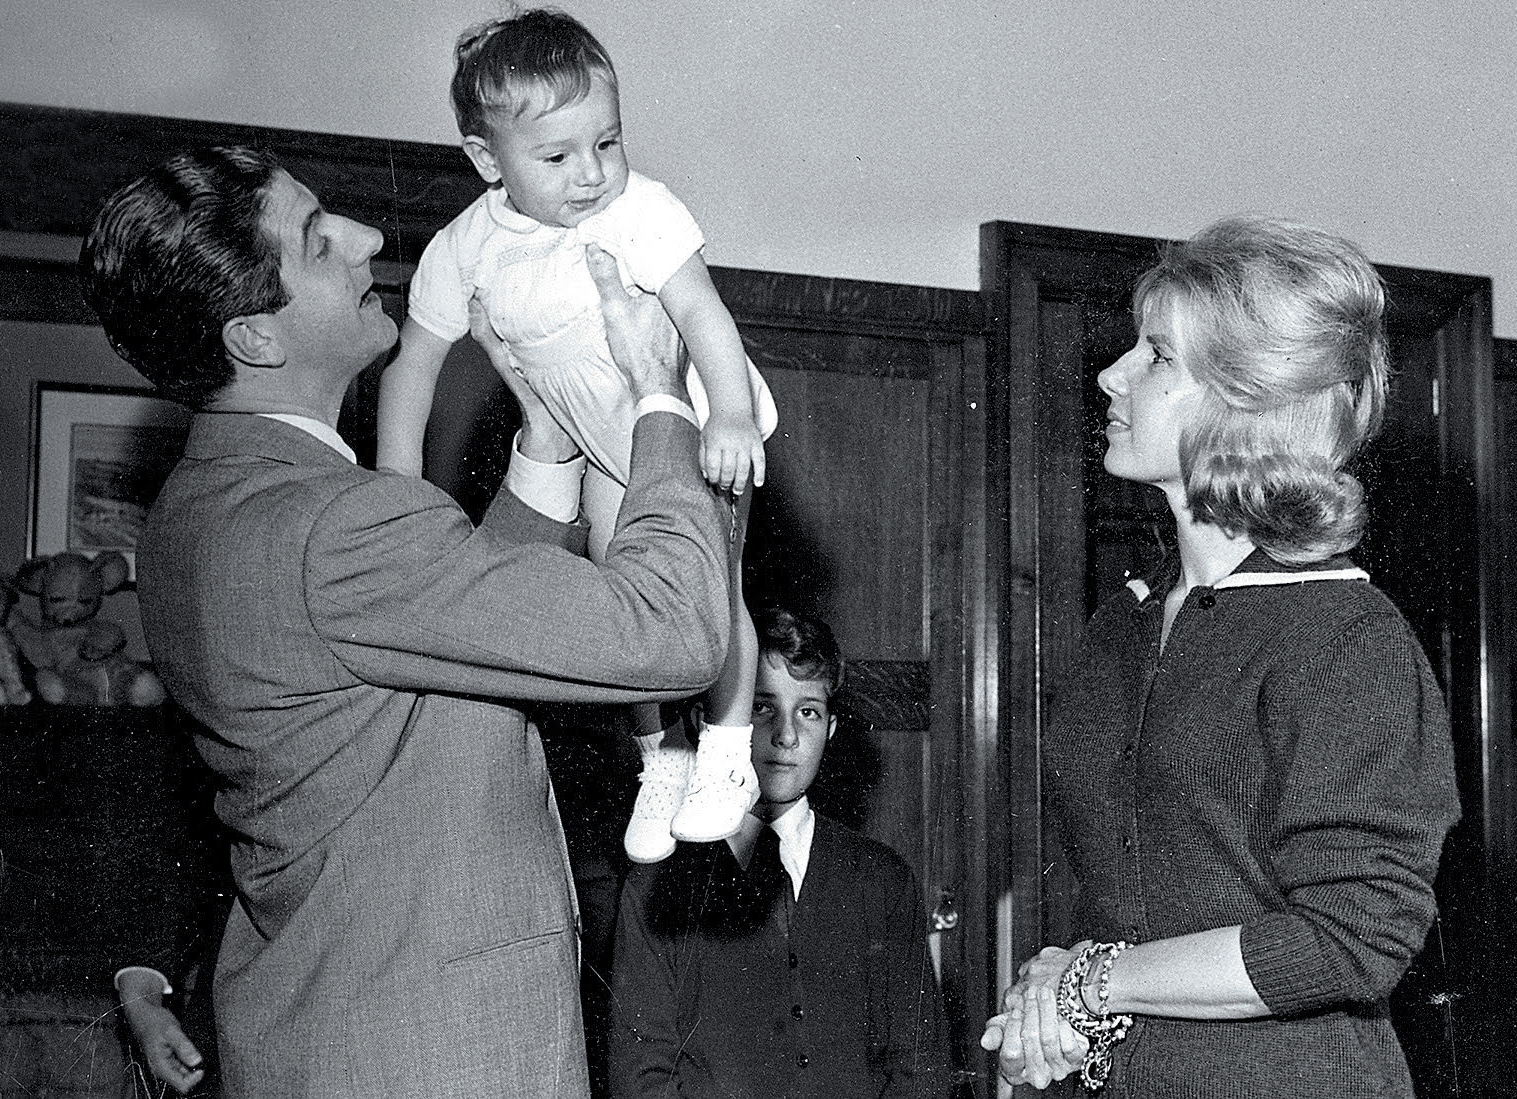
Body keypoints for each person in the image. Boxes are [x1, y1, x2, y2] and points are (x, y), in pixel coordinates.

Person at [79, 144, 734, 1099]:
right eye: (316, 239)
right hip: (438, 1053)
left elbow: (436, 634)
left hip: (327, 1031)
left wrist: (545, 444)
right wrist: (660, 395)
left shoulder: (198, 511)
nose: (367, 237)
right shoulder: (331, 525)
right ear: (255, 338)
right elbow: (674, 632)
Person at [980, 216, 1461, 1097]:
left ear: (1247, 400)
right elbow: (1113, 890)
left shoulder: (1348, 637)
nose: (1111, 375)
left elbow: (1353, 936)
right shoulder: (1120, 623)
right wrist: (1049, 1007)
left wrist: (1093, 981)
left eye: (1156, 356)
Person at [375, 8, 777, 865]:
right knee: (622, 597)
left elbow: (702, 314)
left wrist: (733, 415)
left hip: (689, 425)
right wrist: (399, 485)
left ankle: (729, 752)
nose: (592, 174)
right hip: (603, 443)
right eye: (556, 158)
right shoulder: (466, 245)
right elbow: (413, 366)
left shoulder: (639, 209)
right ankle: (659, 755)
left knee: (710, 588)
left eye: (609, 142)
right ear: (487, 160)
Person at [608, 608, 952, 1099]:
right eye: (762, 708)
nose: (786, 736)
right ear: (716, 724)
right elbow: (640, 1077)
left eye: (808, 711)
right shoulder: (659, 883)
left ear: (830, 729)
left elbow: (920, 1070)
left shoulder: (881, 880)